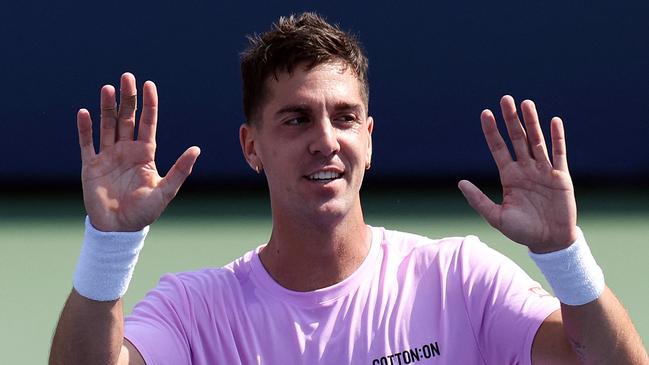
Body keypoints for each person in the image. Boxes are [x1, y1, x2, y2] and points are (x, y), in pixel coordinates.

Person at [50, 12, 647, 365]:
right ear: (250, 146)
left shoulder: (460, 279)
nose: (325, 140)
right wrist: (109, 248)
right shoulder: (194, 311)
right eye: (295, 119)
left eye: (343, 117)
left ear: (369, 136)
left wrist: (565, 257)